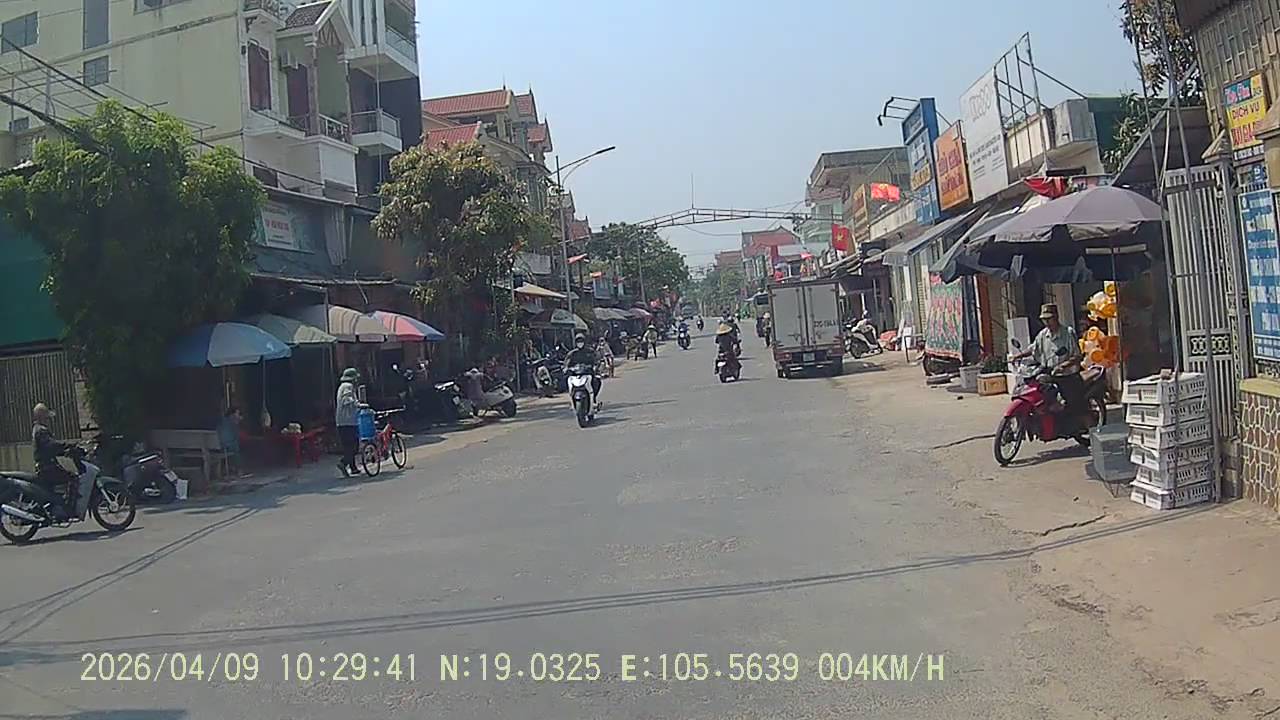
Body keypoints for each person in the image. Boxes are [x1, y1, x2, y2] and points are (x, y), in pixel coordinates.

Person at [1012, 303, 1083, 411]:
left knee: (1068, 405)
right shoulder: (1043, 334)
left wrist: (1063, 366)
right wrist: (1018, 356)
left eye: (1049, 319)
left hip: (1066, 375)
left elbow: (1077, 356)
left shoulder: (1068, 333)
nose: (1047, 322)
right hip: (1048, 373)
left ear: (1056, 317)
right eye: (1044, 320)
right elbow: (1033, 349)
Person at [31, 403, 77, 520]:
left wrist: (65, 451)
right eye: (46, 417)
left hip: (46, 466)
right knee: (73, 478)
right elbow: (50, 446)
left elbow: (49, 449)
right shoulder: (41, 431)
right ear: (42, 417)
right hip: (47, 467)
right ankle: (66, 509)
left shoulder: (38, 429)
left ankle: (58, 507)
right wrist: (67, 445)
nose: (48, 420)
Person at [563, 333, 602, 407]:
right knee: (565, 380)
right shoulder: (572, 353)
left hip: (588, 373)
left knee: (597, 381)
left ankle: (593, 398)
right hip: (575, 375)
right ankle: (572, 398)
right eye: (578, 341)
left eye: (581, 341)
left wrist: (595, 367)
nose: (580, 343)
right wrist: (565, 368)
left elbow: (597, 360)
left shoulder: (590, 351)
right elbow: (566, 363)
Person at [335, 367, 361, 478]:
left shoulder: (343, 386)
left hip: (343, 421)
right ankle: (343, 462)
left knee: (348, 445)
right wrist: (358, 404)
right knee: (354, 446)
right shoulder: (347, 386)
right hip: (347, 421)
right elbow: (346, 400)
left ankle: (353, 468)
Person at [217, 406, 243, 478]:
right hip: (228, 445)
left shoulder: (221, 421)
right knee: (236, 447)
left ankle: (231, 467)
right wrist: (237, 423)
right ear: (232, 414)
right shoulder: (233, 423)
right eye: (237, 414)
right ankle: (239, 470)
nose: (238, 416)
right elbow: (236, 436)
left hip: (219, 445)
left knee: (233, 446)